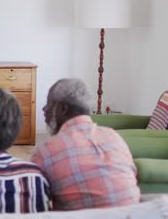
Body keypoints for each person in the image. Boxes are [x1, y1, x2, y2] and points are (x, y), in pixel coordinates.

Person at [31, 78, 140, 210]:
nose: (44, 109)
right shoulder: (114, 136)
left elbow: (35, 201)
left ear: (63, 108)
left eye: (48, 103)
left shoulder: (45, 152)